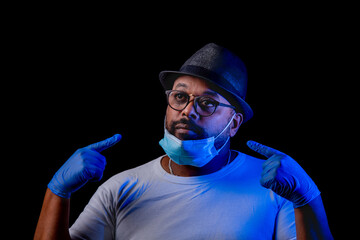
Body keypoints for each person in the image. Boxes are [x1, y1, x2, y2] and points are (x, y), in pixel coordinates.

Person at [34, 43, 333, 239]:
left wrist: (308, 198)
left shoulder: (276, 189)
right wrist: (57, 193)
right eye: (180, 97)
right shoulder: (119, 189)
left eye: (207, 103)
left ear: (234, 124)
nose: (188, 111)